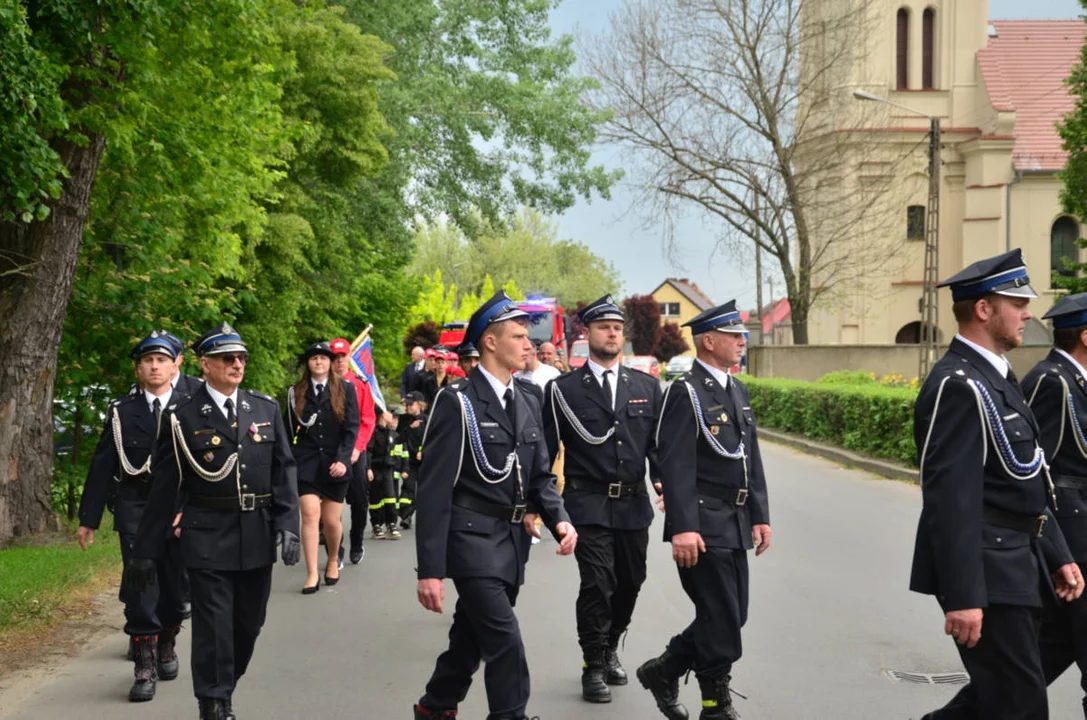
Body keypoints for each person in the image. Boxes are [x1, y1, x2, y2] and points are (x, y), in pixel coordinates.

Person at [910, 249, 1083, 720]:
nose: (1028, 313)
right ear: (984, 310)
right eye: (1016, 303)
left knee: (1002, 701)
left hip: (1018, 562)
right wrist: (964, 595)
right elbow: (951, 501)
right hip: (988, 569)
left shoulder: (997, 378)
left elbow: (1026, 482)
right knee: (1020, 706)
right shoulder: (959, 385)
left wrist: (1059, 555)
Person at [123, 322, 301, 720]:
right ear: (205, 365)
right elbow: (164, 490)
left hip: (255, 532)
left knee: (248, 626)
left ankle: (223, 685)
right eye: (227, 358)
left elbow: (284, 470)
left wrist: (288, 522)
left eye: (241, 357)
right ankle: (214, 702)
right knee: (213, 626)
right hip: (206, 534)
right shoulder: (181, 416)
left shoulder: (265, 408)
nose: (237, 364)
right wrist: (145, 554)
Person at [413, 291, 578, 720]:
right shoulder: (459, 402)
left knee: (470, 637)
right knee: (505, 640)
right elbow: (432, 491)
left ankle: (434, 707)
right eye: (519, 337)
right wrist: (430, 570)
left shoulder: (527, 397)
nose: (529, 345)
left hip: (511, 543)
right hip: (470, 542)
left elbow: (540, 472)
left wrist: (560, 519)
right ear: (490, 342)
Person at [637, 300, 771, 720]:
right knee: (720, 615)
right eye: (734, 336)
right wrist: (681, 527)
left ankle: (667, 667)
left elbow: (751, 459)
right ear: (708, 341)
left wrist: (760, 514)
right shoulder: (686, 391)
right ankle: (715, 704)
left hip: (733, 520)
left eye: (742, 335)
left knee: (735, 614)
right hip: (701, 521)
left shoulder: (736, 388)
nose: (741, 342)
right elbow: (675, 463)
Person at [543, 295, 663, 703]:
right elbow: (545, 451)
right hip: (587, 504)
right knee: (598, 583)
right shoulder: (563, 390)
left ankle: (610, 644)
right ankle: (592, 664)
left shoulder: (646, 386)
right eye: (603, 327)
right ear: (587, 333)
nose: (613, 333)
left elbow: (657, 448)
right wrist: (540, 508)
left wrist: (663, 481)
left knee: (631, 581)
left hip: (632, 504)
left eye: (617, 327)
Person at [78, 332, 190, 702]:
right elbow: (102, 465)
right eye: (148, 361)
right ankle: (144, 667)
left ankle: (167, 644)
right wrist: (88, 518)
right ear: (139, 369)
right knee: (142, 585)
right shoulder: (122, 412)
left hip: (178, 507)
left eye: (162, 360)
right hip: (136, 508)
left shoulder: (191, 407)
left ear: (177, 365)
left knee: (175, 590)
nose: (155, 366)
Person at [1025, 292, 1087, 716]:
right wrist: (1052, 550)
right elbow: (1031, 470)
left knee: (1035, 665)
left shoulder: (1075, 380)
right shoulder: (1053, 381)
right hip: (1071, 535)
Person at [286, 341, 359, 593]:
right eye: (314, 358)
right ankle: (311, 573)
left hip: (334, 463)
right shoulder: (295, 392)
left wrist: (342, 458)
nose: (319, 362)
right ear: (308, 363)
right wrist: (287, 463)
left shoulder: (346, 389)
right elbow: (286, 431)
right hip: (306, 462)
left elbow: (351, 429)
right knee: (309, 515)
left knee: (331, 521)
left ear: (330, 363)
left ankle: (332, 561)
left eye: (324, 358)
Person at [330, 337, 377, 565]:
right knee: (331, 502)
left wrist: (357, 448)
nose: (339, 362)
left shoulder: (359, 384)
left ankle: (356, 541)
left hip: (356, 451)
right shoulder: (323, 385)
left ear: (349, 357)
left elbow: (367, 419)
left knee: (359, 499)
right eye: (335, 358)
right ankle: (335, 549)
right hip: (331, 450)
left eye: (343, 357)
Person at [366, 411, 408, 539]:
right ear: (383, 416)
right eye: (392, 415)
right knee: (375, 499)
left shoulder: (393, 434)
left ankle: (391, 524)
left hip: (388, 470)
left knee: (390, 497)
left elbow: (402, 447)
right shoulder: (373, 432)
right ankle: (376, 525)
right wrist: (368, 468)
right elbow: (369, 452)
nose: (394, 419)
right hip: (375, 468)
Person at [396, 392, 428, 531]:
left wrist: (424, 451)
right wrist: (410, 428)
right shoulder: (403, 420)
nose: (408, 406)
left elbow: (433, 439)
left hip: (424, 461)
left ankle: (425, 516)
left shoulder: (428, 420)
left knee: (424, 490)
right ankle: (406, 516)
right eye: (407, 404)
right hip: (408, 463)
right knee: (407, 489)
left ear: (419, 405)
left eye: (411, 404)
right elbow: (397, 439)